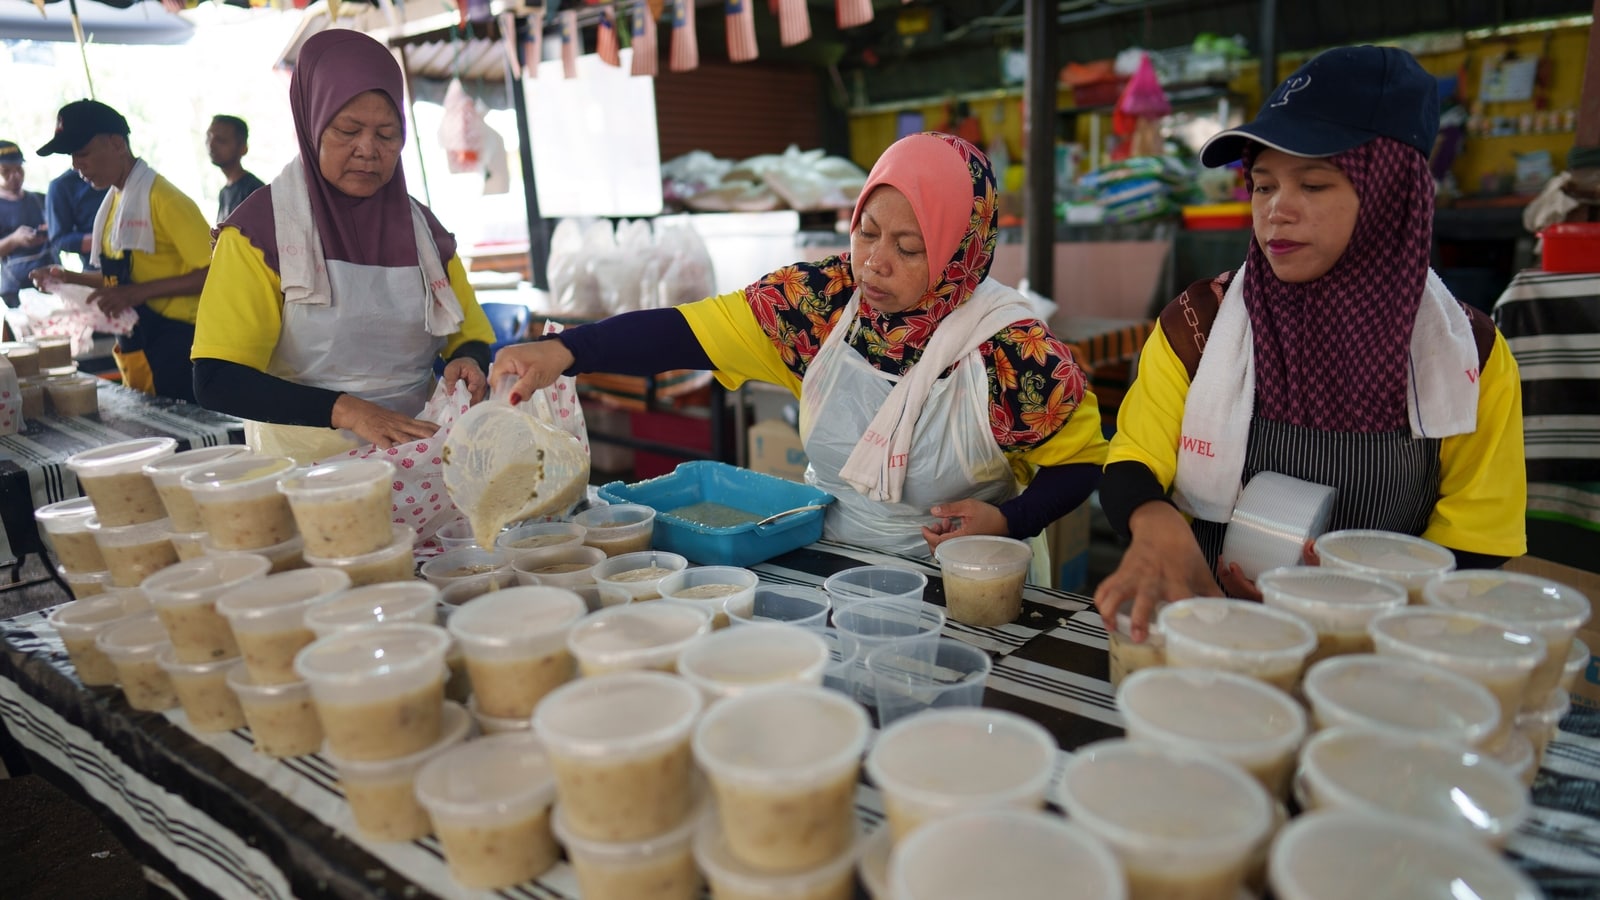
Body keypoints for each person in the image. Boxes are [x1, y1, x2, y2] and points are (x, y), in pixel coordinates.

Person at [494, 132, 1107, 563]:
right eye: (866, 233)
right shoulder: (819, 304)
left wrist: (1011, 520)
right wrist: (568, 352)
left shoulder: (1012, 352)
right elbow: (686, 330)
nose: (875, 262)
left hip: (963, 576)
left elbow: (1081, 461)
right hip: (829, 559)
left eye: (909, 247)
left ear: (959, 252)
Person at [1093, 46, 1527, 642]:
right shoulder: (1198, 325)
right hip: (1216, 629)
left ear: (1389, 197)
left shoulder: (1467, 358)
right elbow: (1133, 456)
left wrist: (1352, 604)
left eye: (1314, 184)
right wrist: (1154, 522)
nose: (1276, 211)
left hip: (1375, 653)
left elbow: (1480, 533)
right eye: (1262, 185)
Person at [191, 29, 494, 464]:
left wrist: (468, 361)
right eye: (348, 130)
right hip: (303, 475)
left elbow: (470, 335)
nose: (368, 150)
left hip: (418, 468)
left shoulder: (425, 234)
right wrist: (349, 411)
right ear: (311, 124)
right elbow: (217, 378)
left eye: (387, 134)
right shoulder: (259, 234)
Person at [30, 101, 211, 400]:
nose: (76, 165)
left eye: (82, 153)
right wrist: (68, 277)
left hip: (182, 349)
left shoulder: (164, 199)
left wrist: (138, 293)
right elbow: (121, 280)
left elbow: (216, 273)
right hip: (141, 346)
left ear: (116, 143)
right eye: (72, 157)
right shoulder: (116, 202)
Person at [0, 141, 56, 308]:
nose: (15, 176)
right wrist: (14, 240)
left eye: (19, 169)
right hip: (14, 294)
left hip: (51, 283)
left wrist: (50, 232)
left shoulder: (41, 199)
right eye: (6, 171)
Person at [45, 167, 107, 271]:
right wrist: (106, 241)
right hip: (99, 268)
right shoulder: (62, 185)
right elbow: (60, 239)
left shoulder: (131, 177)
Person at [207, 114, 265, 223]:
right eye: (209, 137)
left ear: (243, 148)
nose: (211, 145)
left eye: (221, 140)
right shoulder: (224, 193)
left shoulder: (254, 191)